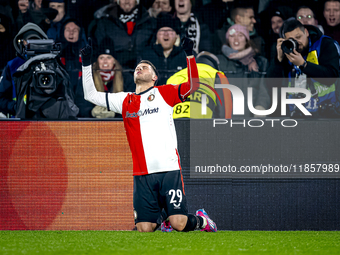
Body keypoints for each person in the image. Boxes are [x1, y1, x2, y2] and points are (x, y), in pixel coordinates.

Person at [80, 38, 217, 233]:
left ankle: (202, 221)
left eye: (145, 67)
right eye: (138, 67)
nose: (140, 68)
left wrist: (190, 56)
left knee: (179, 224)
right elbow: (90, 95)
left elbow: (193, 85)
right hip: (142, 174)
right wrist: (86, 64)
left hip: (168, 169)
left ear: (154, 77)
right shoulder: (124, 100)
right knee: (144, 228)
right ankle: (162, 219)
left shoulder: (165, 93)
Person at [275, 18, 339, 117]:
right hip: (296, 113)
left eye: (298, 37)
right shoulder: (288, 50)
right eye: (291, 40)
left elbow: (331, 77)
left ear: (306, 32)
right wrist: (279, 59)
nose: (297, 42)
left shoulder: (325, 44)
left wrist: (303, 65)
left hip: (325, 112)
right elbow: (273, 84)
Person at [217, 24, 270, 118]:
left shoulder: (260, 62)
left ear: (246, 39)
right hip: (224, 119)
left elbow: (264, 90)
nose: (236, 39)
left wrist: (260, 108)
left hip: (249, 119)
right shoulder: (218, 62)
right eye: (232, 36)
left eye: (240, 35)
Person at [89, 0, 156, 71]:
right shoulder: (105, 22)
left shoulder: (149, 21)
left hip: (144, 70)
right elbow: (99, 48)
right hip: (115, 71)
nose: (126, 1)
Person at [0, 22, 47, 117]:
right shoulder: (12, 65)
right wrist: (16, 107)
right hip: (20, 122)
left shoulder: (52, 63)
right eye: (29, 40)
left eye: (36, 40)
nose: (32, 44)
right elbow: (1, 98)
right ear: (22, 42)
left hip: (46, 120)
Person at [167, 51, 232, 119]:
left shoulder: (174, 76)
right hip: (201, 125)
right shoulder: (217, 75)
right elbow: (224, 111)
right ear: (216, 65)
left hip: (175, 124)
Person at [76, 36, 124, 118]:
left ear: (114, 61)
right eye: (102, 58)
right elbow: (79, 104)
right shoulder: (88, 77)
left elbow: (133, 106)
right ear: (97, 60)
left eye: (109, 57)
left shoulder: (126, 78)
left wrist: (116, 113)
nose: (105, 61)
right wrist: (91, 112)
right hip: (93, 124)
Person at [138, 12, 187, 85]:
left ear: (176, 35)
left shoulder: (186, 56)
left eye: (170, 30)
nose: (166, 34)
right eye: (162, 30)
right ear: (157, 35)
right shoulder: (145, 57)